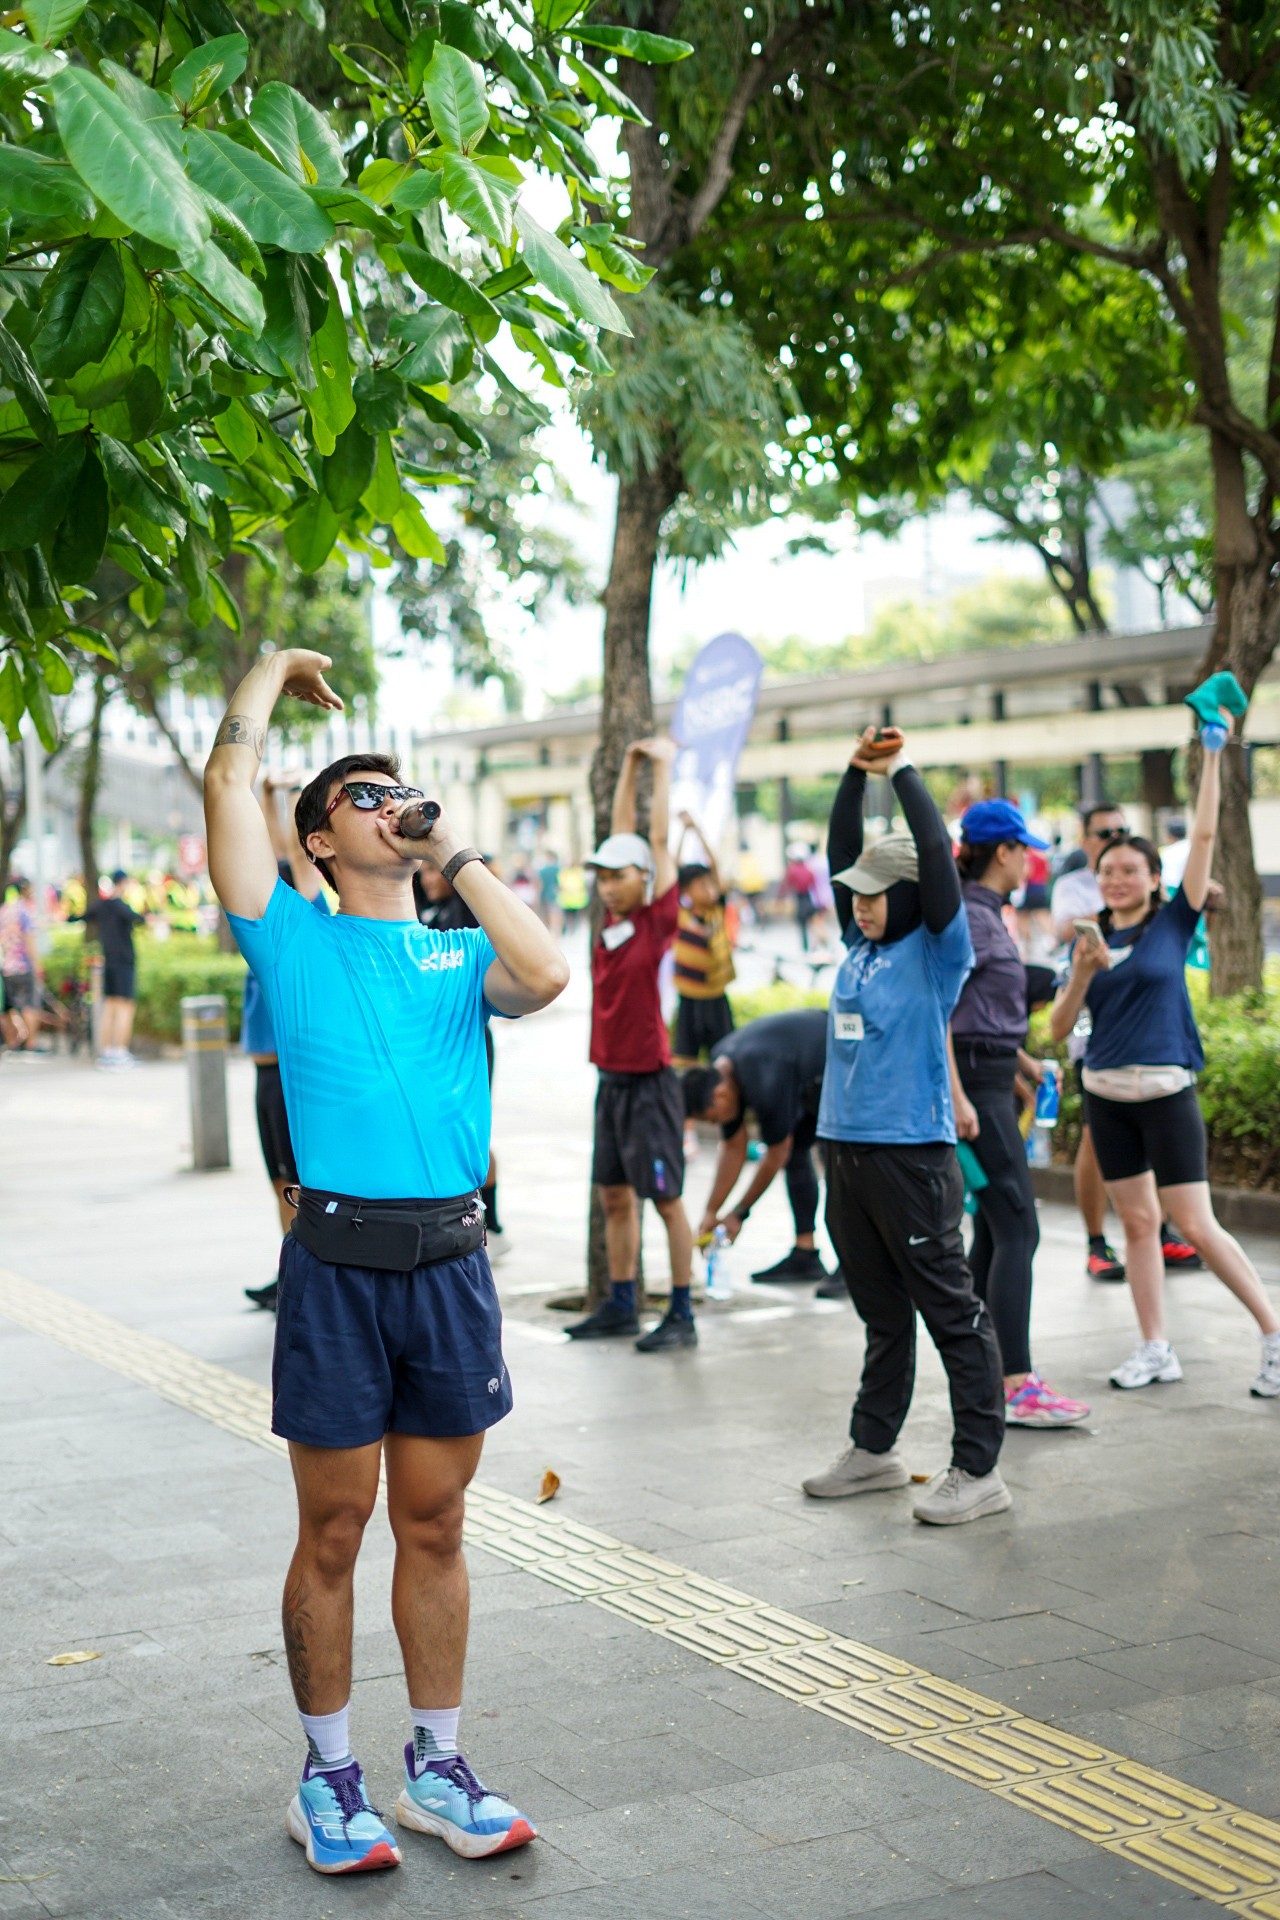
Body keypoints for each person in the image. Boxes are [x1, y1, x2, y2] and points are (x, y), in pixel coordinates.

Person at [204, 647, 568, 1875]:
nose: (388, 804)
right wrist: (266, 672)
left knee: (436, 1522)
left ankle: (436, 1769)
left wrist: (451, 850)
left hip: (451, 1267)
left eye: (398, 791)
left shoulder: (460, 957)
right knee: (333, 1528)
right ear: (316, 839)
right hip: (337, 1268)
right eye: (361, 796)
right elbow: (226, 786)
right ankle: (326, 1777)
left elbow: (547, 971)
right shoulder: (289, 939)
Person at [804, 726, 1010, 1527]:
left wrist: (903, 771)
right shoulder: (860, 945)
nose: (860, 902)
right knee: (882, 1312)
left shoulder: (935, 951)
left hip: (911, 1158)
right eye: (855, 892)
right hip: (846, 1153)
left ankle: (979, 1468)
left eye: (877, 892)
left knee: (951, 1313)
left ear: (916, 895)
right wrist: (855, 776)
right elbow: (839, 850)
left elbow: (932, 850)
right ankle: (874, 1449)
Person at [1050, 705, 1280, 1397]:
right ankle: (1155, 1348)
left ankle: (1273, 1335)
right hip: (1106, 1098)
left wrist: (1212, 752)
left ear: (1155, 879)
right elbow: (1058, 1030)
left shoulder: (1173, 924)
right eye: (1107, 871)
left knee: (1196, 1225)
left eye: (1130, 869)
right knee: (1138, 1224)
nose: (1117, 879)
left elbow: (1204, 832)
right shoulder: (1088, 940)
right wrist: (1083, 975)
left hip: (1165, 1093)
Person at [949, 800, 1090, 1428]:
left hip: (988, 1081)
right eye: (1024, 850)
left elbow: (979, 1018)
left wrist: (1021, 1063)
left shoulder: (982, 913)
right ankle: (1014, 1383)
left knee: (995, 1228)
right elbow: (943, 1015)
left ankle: (984, 1373)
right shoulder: (968, 918)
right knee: (1017, 1229)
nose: (1031, 862)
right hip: (976, 1094)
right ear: (1002, 852)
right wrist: (960, 1094)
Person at [569, 737, 696, 1353]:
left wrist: (662, 767)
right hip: (611, 1081)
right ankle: (621, 1304)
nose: (606, 886)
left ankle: (682, 1313)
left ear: (645, 880)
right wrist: (628, 764)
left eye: (618, 877)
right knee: (614, 1196)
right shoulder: (612, 925)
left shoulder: (655, 919)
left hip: (649, 1083)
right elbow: (622, 833)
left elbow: (657, 841)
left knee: (665, 1199)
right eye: (601, 877)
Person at [1050, 804, 1200, 1281]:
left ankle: (1162, 1232)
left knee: (1169, 1186)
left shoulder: (1161, 912)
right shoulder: (1077, 892)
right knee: (1097, 1148)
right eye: (1104, 834)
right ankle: (1097, 1241)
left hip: (1154, 1062)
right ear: (1086, 841)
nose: (1114, 838)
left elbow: (1190, 879)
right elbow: (1067, 938)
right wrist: (1113, 909)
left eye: (1122, 831)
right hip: (1097, 1057)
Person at [242, 778, 330, 1315]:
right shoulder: (262, 928)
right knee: (280, 1181)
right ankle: (292, 1274)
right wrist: (265, 797)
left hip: (290, 1075)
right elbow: (262, 853)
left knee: (300, 1183)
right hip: (264, 1076)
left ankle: (313, 1282)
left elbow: (297, 857)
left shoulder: (306, 923)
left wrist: (289, 801)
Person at [682, 1008, 836, 1287]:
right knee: (798, 1152)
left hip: (839, 1059)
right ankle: (805, 1254)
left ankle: (854, 1266)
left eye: (713, 1118)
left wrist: (739, 1213)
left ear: (720, 1095)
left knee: (840, 1162)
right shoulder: (722, 1065)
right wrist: (711, 1211)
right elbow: (733, 1147)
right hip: (808, 1073)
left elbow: (776, 1154)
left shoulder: (763, 1079)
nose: (717, 1124)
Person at [414, 861, 509, 1263]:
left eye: (435, 872)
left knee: (472, 1132)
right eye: (423, 874)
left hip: (469, 1038)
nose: (428, 880)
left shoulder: (467, 912)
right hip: (431, 1041)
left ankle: (493, 1223)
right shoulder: (423, 910)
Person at [671, 812, 735, 1067]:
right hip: (689, 996)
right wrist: (683, 833)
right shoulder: (680, 914)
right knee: (685, 1058)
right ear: (686, 890)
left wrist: (697, 830)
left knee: (723, 1055)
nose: (710, 889)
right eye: (701, 885)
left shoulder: (717, 910)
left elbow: (714, 865)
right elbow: (672, 872)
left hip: (717, 995)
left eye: (711, 884)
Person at [82, 870, 145, 1069]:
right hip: (124, 962)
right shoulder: (121, 907)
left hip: (108, 962)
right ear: (123, 883)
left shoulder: (100, 905)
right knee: (125, 1007)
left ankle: (107, 1052)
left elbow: (79, 917)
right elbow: (140, 919)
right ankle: (120, 1052)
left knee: (109, 1007)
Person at [0, 879, 41, 1050]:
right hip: (23, 965)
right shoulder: (24, 911)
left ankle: (13, 1041)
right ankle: (31, 1044)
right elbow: (28, 940)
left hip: (7, 966)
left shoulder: (3, 911)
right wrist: (37, 964)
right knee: (29, 1005)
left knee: (8, 1008)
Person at [782, 842, 817, 950]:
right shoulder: (809, 870)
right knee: (812, 922)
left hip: (799, 898)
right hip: (808, 898)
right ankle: (814, 944)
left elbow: (786, 885)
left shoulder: (792, 870)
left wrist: (782, 897)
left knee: (802, 925)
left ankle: (805, 946)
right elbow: (814, 885)